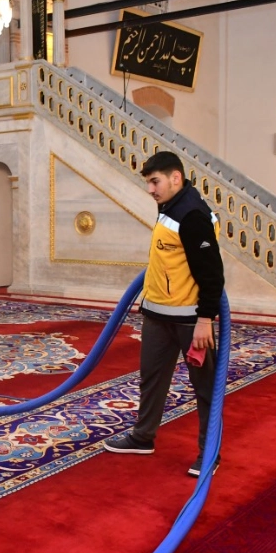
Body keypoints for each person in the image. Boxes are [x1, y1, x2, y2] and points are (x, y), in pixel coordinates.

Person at [102, 151, 225, 477]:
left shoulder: (193, 215)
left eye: (155, 182)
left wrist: (204, 320)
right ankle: (143, 437)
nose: (150, 189)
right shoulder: (169, 205)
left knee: (205, 388)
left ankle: (209, 454)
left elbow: (212, 274)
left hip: (189, 320)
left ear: (175, 178)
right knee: (152, 380)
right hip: (157, 314)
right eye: (148, 183)